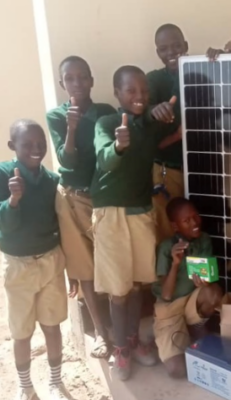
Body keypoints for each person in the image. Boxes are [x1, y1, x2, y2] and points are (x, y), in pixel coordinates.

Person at [91, 65, 175, 380]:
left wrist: (163, 109)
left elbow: (164, 119)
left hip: (141, 211)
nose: (139, 97)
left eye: (144, 91)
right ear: (116, 93)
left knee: (139, 281)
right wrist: (118, 146)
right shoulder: (108, 122)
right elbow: (103, 159)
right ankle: (121, 351)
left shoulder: (148, 124)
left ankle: (134, 340)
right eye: (131, 91)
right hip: (110, 212)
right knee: (118, 289)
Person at [46, 55, 116, 359]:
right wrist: (71, 128)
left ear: (91, 80)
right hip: (72, 198)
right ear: (62, 84)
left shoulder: (105, 112)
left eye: (82, 77)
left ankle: (123, 331)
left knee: (114, 265)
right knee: (85, 269)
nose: (76, 83)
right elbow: (67, 161)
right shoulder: (55, 116)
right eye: (69, 79)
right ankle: (101, 332)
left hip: (103, 198)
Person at [0, 120, 73, 400]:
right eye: (27, 144)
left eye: (40, 143)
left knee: (52, 325)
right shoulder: (4, 174)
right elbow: (4, 224)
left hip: (51, 260)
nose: (36, 149)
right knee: (21, 331)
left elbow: (61, 224)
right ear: (12, 146)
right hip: (18, 264)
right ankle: (25, 386)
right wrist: (13, 200)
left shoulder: (51, 180)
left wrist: (71, 270)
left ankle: (55, 382)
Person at [152, 197, 223, 379]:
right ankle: (158, 330)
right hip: (170, 309)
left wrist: (206, 281)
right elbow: (167, 294)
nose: (194, 222)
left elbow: (208, 278)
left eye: (196, 216)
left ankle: (194, 327)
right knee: (178, 370)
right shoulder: (167, 248)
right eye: (186, 220)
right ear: (175, 226)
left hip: (192, 299)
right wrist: (175, 263)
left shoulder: (204, 239)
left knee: (213, 292)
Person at [147, 23, 188, 243]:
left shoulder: (203, 69)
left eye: (176, 45)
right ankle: (170, 276)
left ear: (186, 45)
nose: (171, 52)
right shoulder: (152, 81)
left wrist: (223, 57)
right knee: (167, 231)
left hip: (203, 170)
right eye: (164, 48)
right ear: (158, 52)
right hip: (166, 172)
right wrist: (153, 110)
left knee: (199, 226)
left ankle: (198, 277)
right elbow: (145, 130)